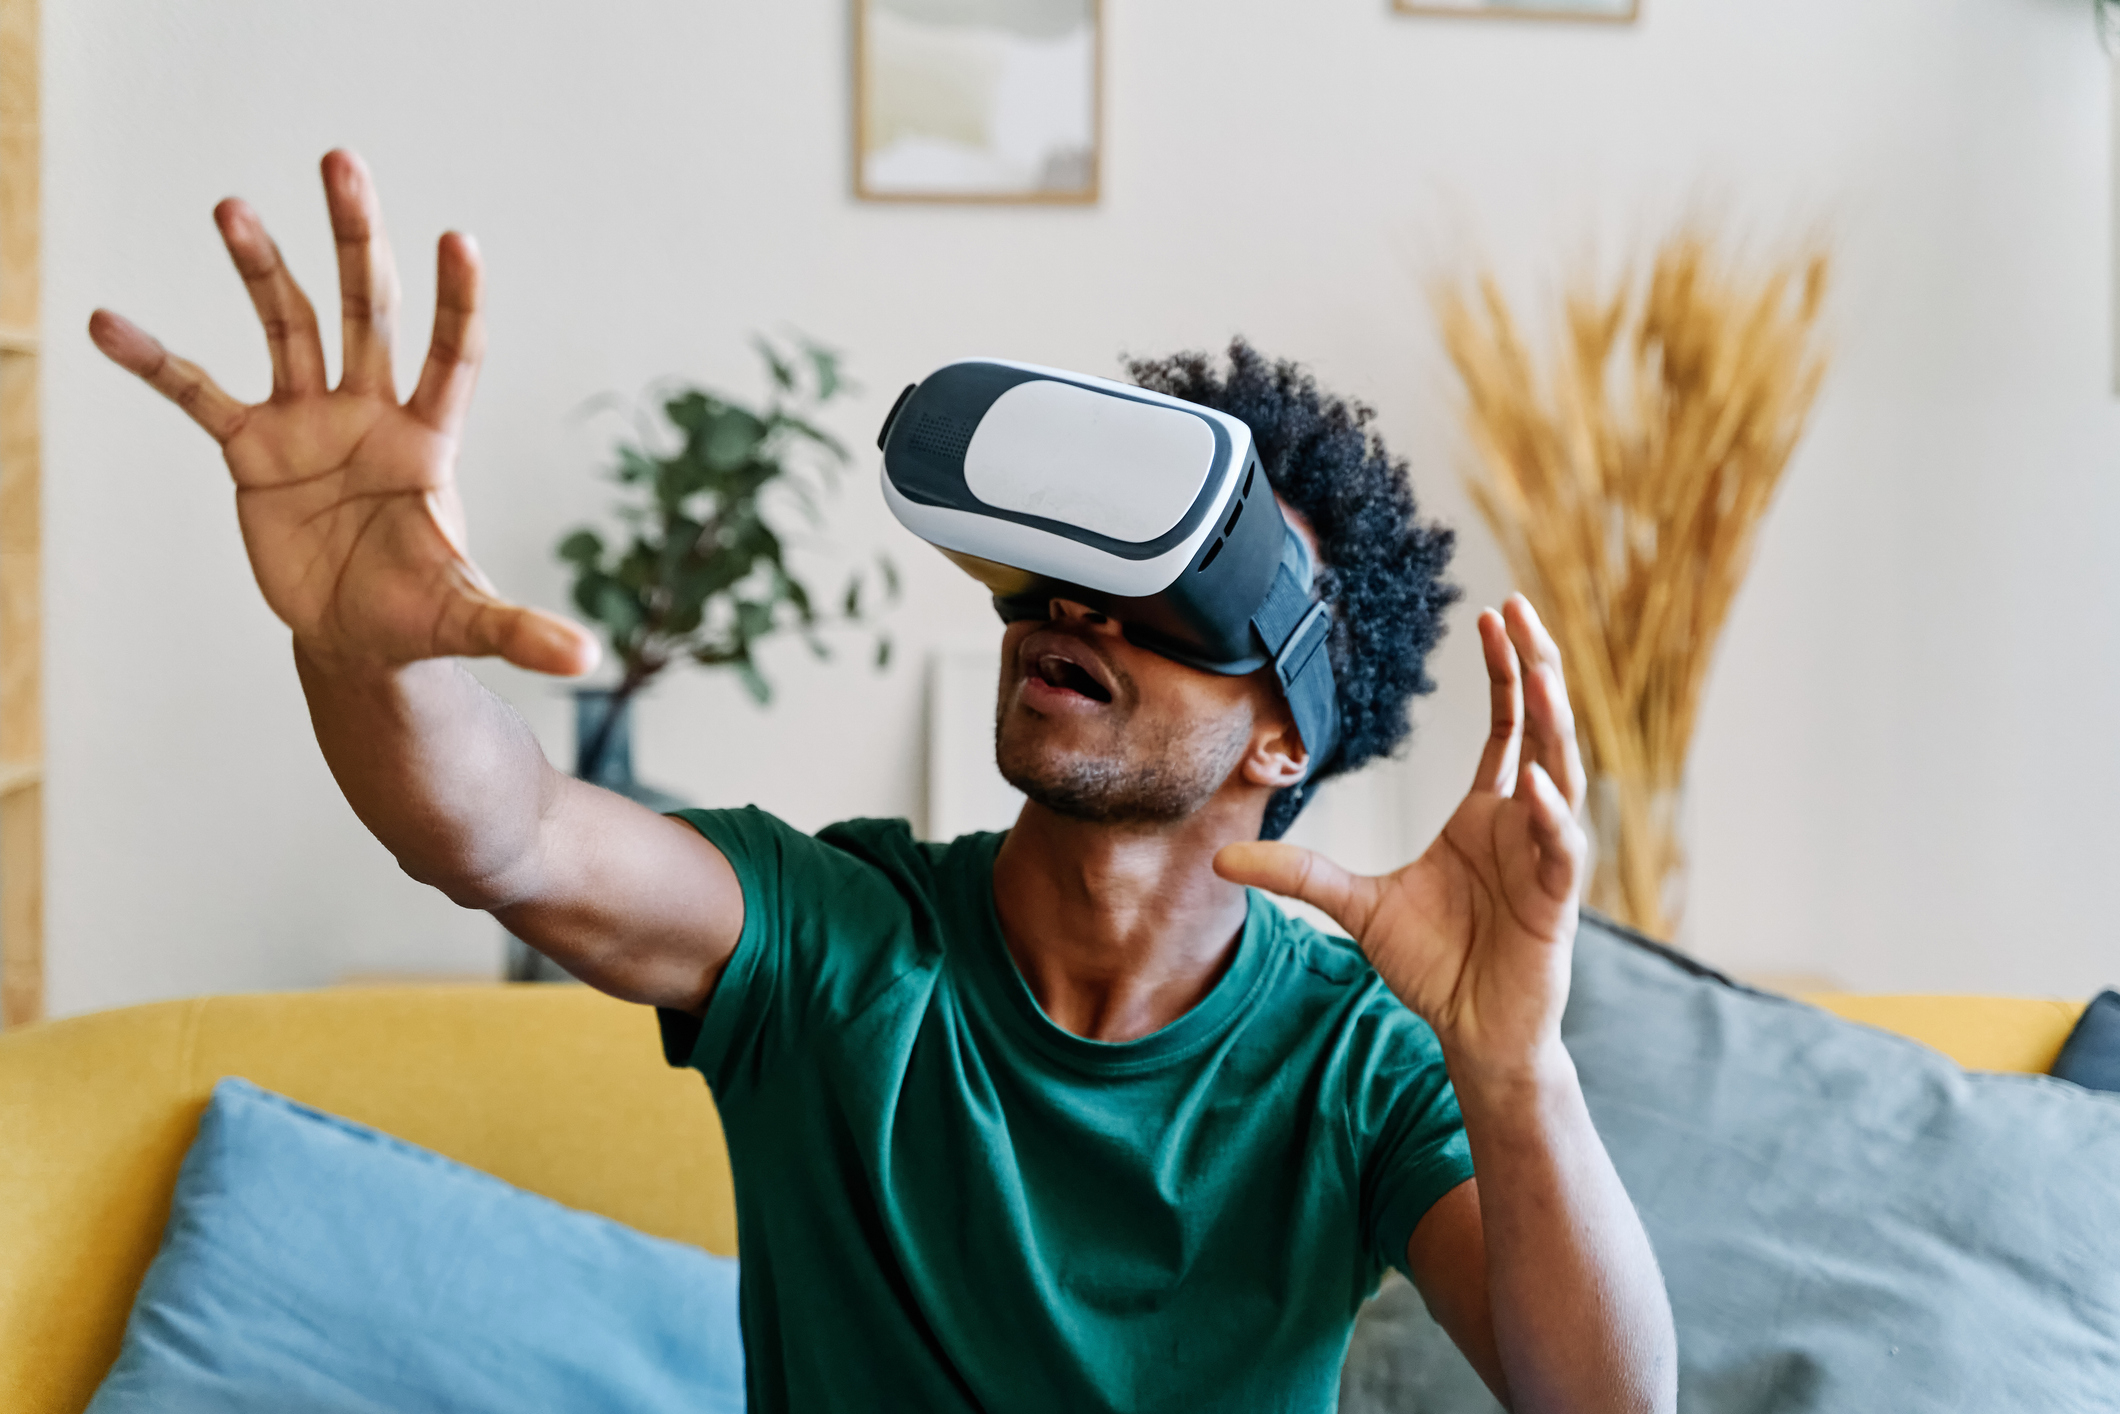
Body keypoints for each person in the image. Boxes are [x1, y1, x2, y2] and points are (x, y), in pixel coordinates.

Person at [89, 150, 1677, 1414]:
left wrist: (1518, 1067)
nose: (1074, 605)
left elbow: (1606, 1403)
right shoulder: (839, 937)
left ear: (1286, 734)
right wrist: (364, 646)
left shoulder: (1356, 1062)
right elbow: (499, 829)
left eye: (1180, 592)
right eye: (1062, 561)